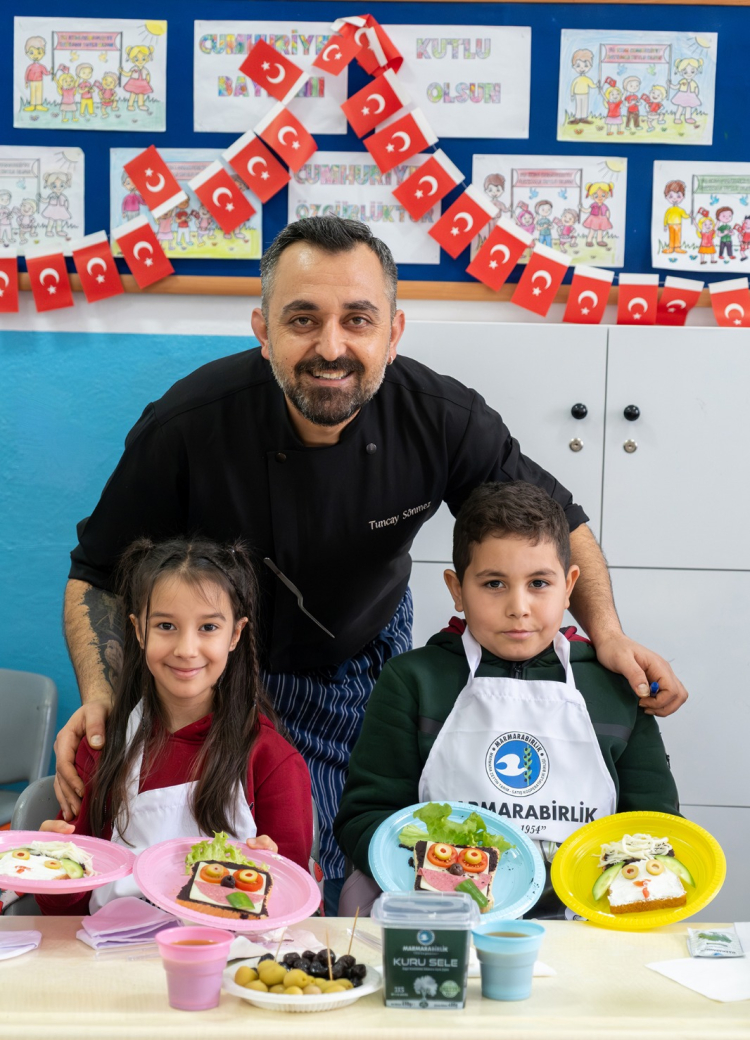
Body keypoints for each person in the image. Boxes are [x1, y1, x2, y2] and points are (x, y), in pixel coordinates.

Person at [55, 217, 687, 915]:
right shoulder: (188, 422)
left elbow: (560, 523)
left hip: (364, 657)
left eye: (357, 320)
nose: (331, 347)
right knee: (233, 867)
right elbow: (97, 575)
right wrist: (102, 694)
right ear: (263, 330)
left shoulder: (440, 417)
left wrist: (608, 634)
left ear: (393, 332)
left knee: (357, 853)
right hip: (219, 672)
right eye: (303, 319)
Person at [334, 481, 680, 918]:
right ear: (457, 589)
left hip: (586, 922)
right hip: (446, 917)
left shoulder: (615, 687)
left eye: (539, 583)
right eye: (494, 583)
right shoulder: (413, 680)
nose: (519, 607)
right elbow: (365, 817)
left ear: (570, 586)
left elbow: (655, 825)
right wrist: (440, 876)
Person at [37, 536, 313, 916]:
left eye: (208, 627)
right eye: (166, 625)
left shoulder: (272, 760)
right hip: (115, 947)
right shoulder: (103, 747)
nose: (186, 649)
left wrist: (275, 881)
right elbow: (65, 909)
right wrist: (52, 868)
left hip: (228, 950)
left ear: (235, 634)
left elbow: (292, 911)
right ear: (138, 630)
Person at [663, 180, 690, 255]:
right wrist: (665, 225)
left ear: (683, 197)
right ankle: (671, 248)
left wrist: (689, 215)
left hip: (678, 225)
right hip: (670, 225)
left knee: (677, 236)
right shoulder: (669, 210)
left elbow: (684, 216)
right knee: (671, 236)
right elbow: (666, 217)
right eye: (671, 196)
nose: (674, 199)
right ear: (666, 197)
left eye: (678, 196)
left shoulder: (680, 210)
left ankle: (677, 248)